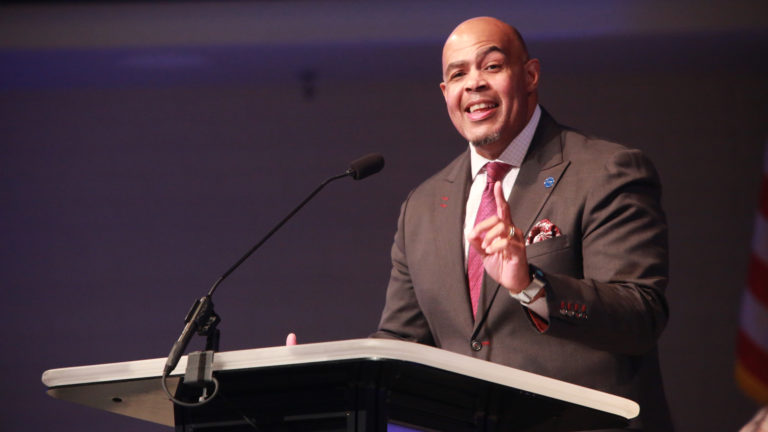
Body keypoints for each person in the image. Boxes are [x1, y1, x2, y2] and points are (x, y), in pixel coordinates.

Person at [371, 16, 673, 431]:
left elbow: (640, 317)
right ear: (446, 94)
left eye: (492, 66)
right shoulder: (421, 207)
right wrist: (312, 373)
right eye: (458, 74)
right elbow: (400, 345)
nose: (474, 84)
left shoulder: (606, 171)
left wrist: (531, 286)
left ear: (530, 75)